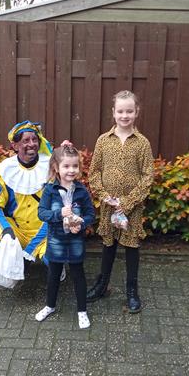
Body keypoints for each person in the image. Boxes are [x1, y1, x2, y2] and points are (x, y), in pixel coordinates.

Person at [86, 90, 154, 313]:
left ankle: (132, 291)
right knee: (108, 245)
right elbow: (94, 172)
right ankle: (102, 285)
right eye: (121, 111)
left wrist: (127, 202)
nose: (125, 115)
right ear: (113, 112)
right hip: (109, 206)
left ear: (136, 112)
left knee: (131, 248)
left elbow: (147, 176)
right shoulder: (103, 141)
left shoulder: (142, 143)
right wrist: (105, 196)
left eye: (129, 111)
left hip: (131, 208)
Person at [0, 121, 53, 278]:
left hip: (47, 231)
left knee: (54, 258)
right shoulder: (4, 170)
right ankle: (16, 264)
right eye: (26, 140)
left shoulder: (52, 167)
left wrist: (31, 248)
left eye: (34, 139)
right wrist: (5, 229)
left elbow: (58, 209)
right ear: (15, 145)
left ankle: (55, 267)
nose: (32, 144)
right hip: (18, 230)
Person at [35, 141, 95, 328]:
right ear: (56, 167)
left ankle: (82, 311)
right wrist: (59, 214)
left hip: (76, 241)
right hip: (56, 241)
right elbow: (41, 213)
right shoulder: (49, 190)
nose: (71, 170)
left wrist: (81, 223)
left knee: (78, 275)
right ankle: (50, 306)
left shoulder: (81, 191)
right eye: (66, 166)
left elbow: (91, 214)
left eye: (75, 166)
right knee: (53, 275)